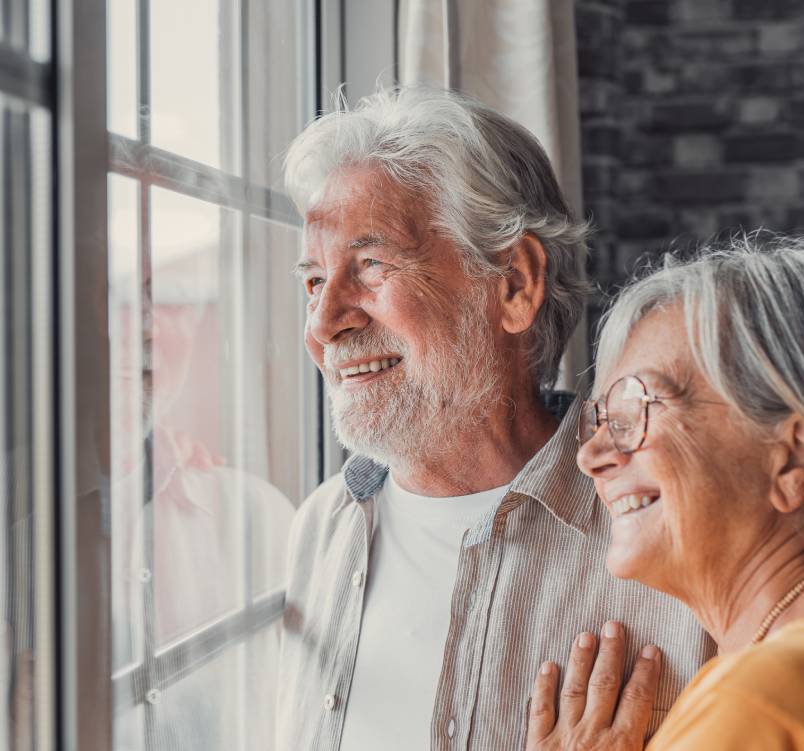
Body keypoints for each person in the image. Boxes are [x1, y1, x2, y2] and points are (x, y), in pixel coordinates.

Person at [275, 86, 712, 751]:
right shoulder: (319, 531)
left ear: (514, 285)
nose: (323, 324)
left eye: (370, 264)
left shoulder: (676, 534)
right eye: (313, 280)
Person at [526, 234, 804, 750]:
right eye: (601, 421)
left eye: (634, 412)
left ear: (796, 457)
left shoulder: (759, 710)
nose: (591, 456)